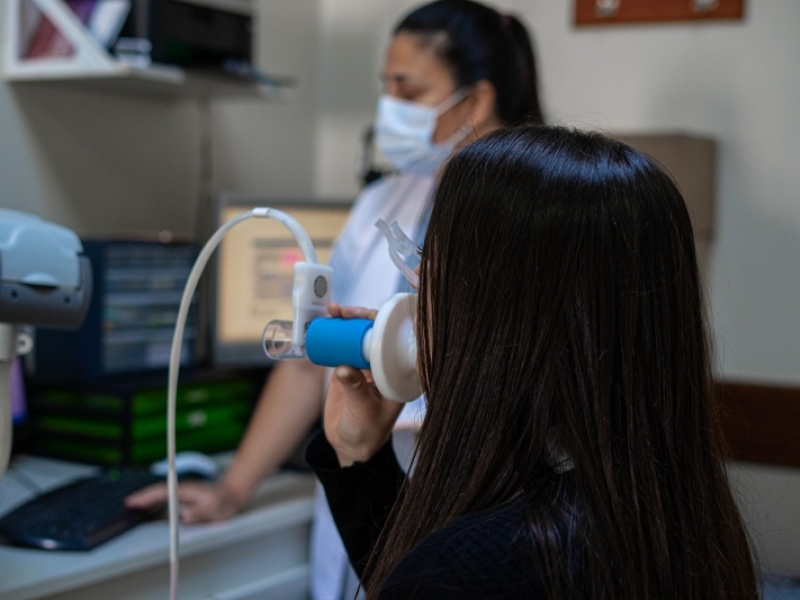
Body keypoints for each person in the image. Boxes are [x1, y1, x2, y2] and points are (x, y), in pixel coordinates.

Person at [126, 2, 543, 598]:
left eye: (409, 86)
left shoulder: (534, 217)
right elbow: (309, 352)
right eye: (386, 85)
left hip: (470, 502)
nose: (390, 104)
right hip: (360, 487)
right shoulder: (383, 204)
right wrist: (234, 487)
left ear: (473, 101)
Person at [309, 125, 758, 599]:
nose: (418, 290)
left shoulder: (467, 571)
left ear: (505, 318)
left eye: (432, 266)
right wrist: (359, 460)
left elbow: (442, 576)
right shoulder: (674, 522)